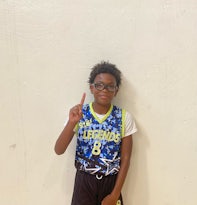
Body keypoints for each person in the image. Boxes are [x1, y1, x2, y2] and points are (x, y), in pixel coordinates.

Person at [54, 61, 137, 205]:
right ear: (91, 88)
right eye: (99, 85)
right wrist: (72, 122)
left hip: (111, 183)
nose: (104, 89)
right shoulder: (79, 114)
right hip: (84, 182)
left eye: (110, 86)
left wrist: (115, 194)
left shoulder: (124, 117)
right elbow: (59, 150)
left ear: (116, 91)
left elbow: (126, 158)